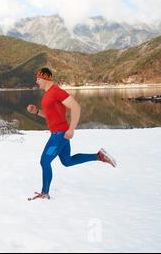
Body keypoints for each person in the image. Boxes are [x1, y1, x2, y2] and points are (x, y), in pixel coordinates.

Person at [26, 68, 116, 200]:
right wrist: (36, 112)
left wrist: (71, 129)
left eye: (38, 78)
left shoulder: (56, 91)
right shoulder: (47, 94)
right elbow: (50, 116)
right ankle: (98, 156)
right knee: (67, 161)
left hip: (60, 134)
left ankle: (45, 193)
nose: (36, 81)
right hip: (58, 133)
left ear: (45, 78)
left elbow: (75, 106)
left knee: (44, 161)